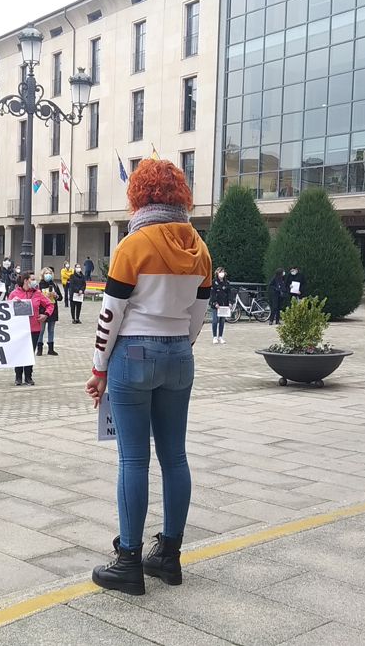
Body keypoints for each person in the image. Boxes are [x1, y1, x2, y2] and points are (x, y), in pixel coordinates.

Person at [85, 159, 211, 596]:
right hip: (180, 352)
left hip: (134, 354)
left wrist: (99, 368)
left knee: (133, 459)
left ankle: (128, 561)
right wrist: (180, 346)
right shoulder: (199, 246)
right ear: (180, 195)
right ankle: (170, 556)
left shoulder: (132, 245)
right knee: (175, 456)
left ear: (139, 195)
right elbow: (199, 314)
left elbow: (111, 313)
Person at [8, 271, 53, 385]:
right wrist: (12, 303)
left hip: (34, 329)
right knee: (19, 352)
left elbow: (49, 304)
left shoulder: (37, 293)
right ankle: (18, 376)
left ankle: (28, 376)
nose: (34, 281)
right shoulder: (14, 293)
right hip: (19, 328)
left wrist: (46, 315)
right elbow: (6, 309)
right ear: (25, 280)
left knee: (29, 353)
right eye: (32, 279)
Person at [37, 267, 62, 356]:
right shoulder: (39, 285)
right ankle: (39, 349)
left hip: (53, 310)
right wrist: (44, 296)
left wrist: (56, 295)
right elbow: (37, 298)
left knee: (51, 330)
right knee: (41, 330)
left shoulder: (54, 284)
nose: (48, 275)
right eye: (46, 273)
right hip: (43, 310)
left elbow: (60, 298)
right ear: (43, 275)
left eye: (50, 273)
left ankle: (51, 349)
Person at [209, 267, 232, 344]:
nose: (222, 273)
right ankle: (214, 337)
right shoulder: (214, 282)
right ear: (217, 273)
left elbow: (229, 293)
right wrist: (215, 303)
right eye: (220, 272)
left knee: (222, 321)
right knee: (215, 321)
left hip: (224, 305)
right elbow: (212, 293)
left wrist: (230, 302)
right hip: (216, 305)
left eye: (223, 272)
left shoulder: (227, 283)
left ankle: (220, 336)